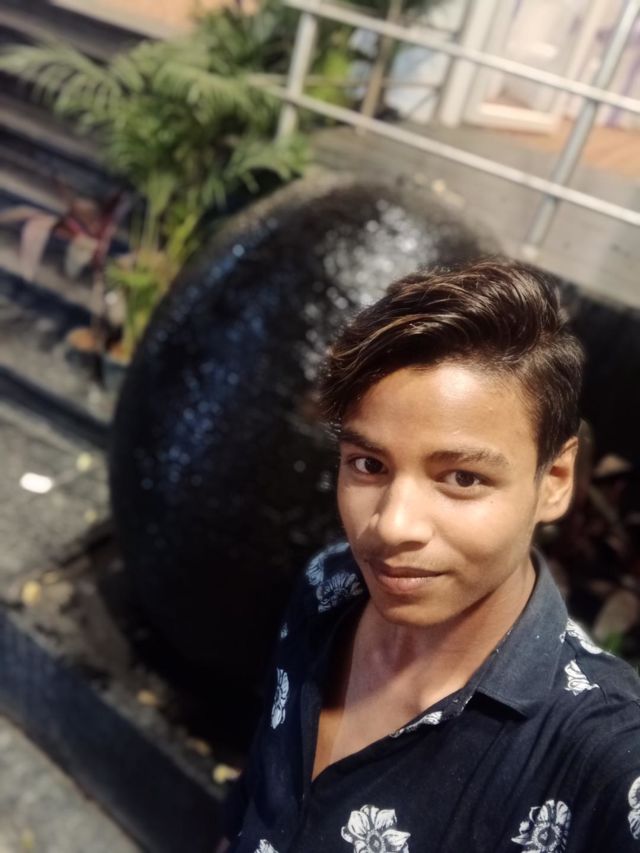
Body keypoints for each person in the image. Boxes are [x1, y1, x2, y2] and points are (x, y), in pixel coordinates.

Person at [219, 259, 640, 853]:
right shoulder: (327, 585)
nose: (391, 526)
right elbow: (259, 787)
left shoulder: (604, 761)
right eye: (369, 465)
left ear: (555, 481)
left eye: (462, 478)